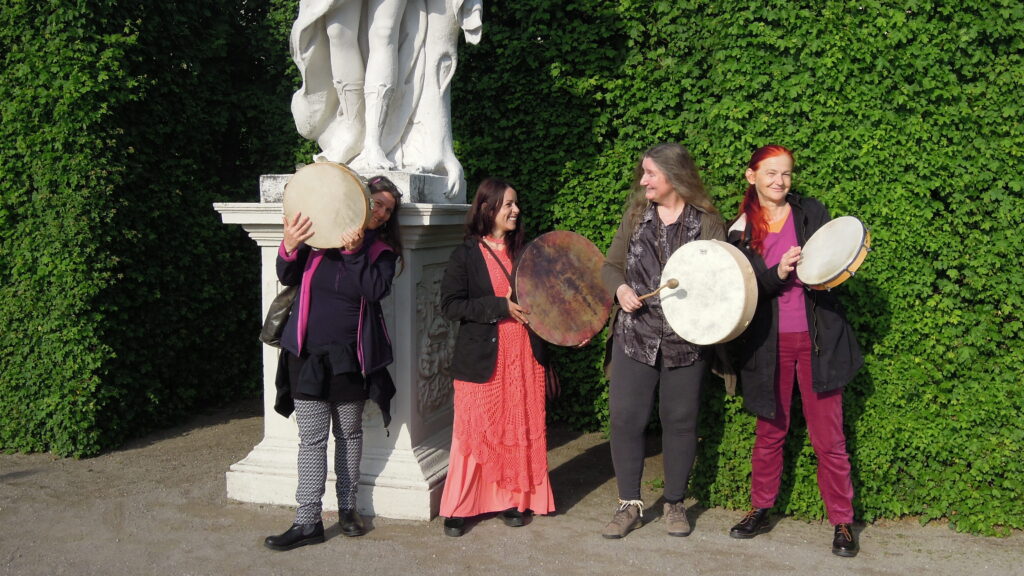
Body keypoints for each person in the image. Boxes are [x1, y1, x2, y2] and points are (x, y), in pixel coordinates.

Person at [725, 145, 862, 557]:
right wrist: (778, 273)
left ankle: (843, 521)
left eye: (786, 174)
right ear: (752, 176)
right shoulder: (740, 232)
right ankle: (760, 509)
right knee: (770, 433)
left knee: (830, 439)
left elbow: (833, 267)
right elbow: (745, 294)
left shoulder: (811, 214)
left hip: (818, 340)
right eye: (770, 173)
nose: (780, 181)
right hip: (770, 345)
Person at [264, 175, 404, 551]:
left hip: (349, 358)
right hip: (306, 356)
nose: (380, 212)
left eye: (388, 210)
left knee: (348, 436)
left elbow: (374, 289)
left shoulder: (381, 253)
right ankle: (307, 521)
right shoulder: (317, 239)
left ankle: (347, 510)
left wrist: (354, 252)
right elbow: (285, 274)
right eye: (376, 202)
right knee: (311, 440)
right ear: (356, 198)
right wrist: (290, 245)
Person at [600, 143, 726, 539]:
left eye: (650, 173)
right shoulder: (637, 216)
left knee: (681, 422)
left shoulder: (707, 222)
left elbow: (721, 279)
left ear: (673, 175)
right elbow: (610, 266)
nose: (643, 181)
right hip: (634, 336)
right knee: (625, 419)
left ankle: (674, 503)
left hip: (686, 340)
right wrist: (620, 289)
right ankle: (629, 504)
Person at [437, 177, 554, 537]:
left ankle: (512, 500)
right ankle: (460, 506)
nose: (516, 210)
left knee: (517, 427)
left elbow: (550, 301)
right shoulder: (466, 254)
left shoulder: (527, 253)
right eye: (508, 205)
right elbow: (451, 305)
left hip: (524, 356)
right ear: (488, 209)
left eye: (516, 204)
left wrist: (570, 330)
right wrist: (499, 306)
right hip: (483, 357)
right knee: (474, 430)